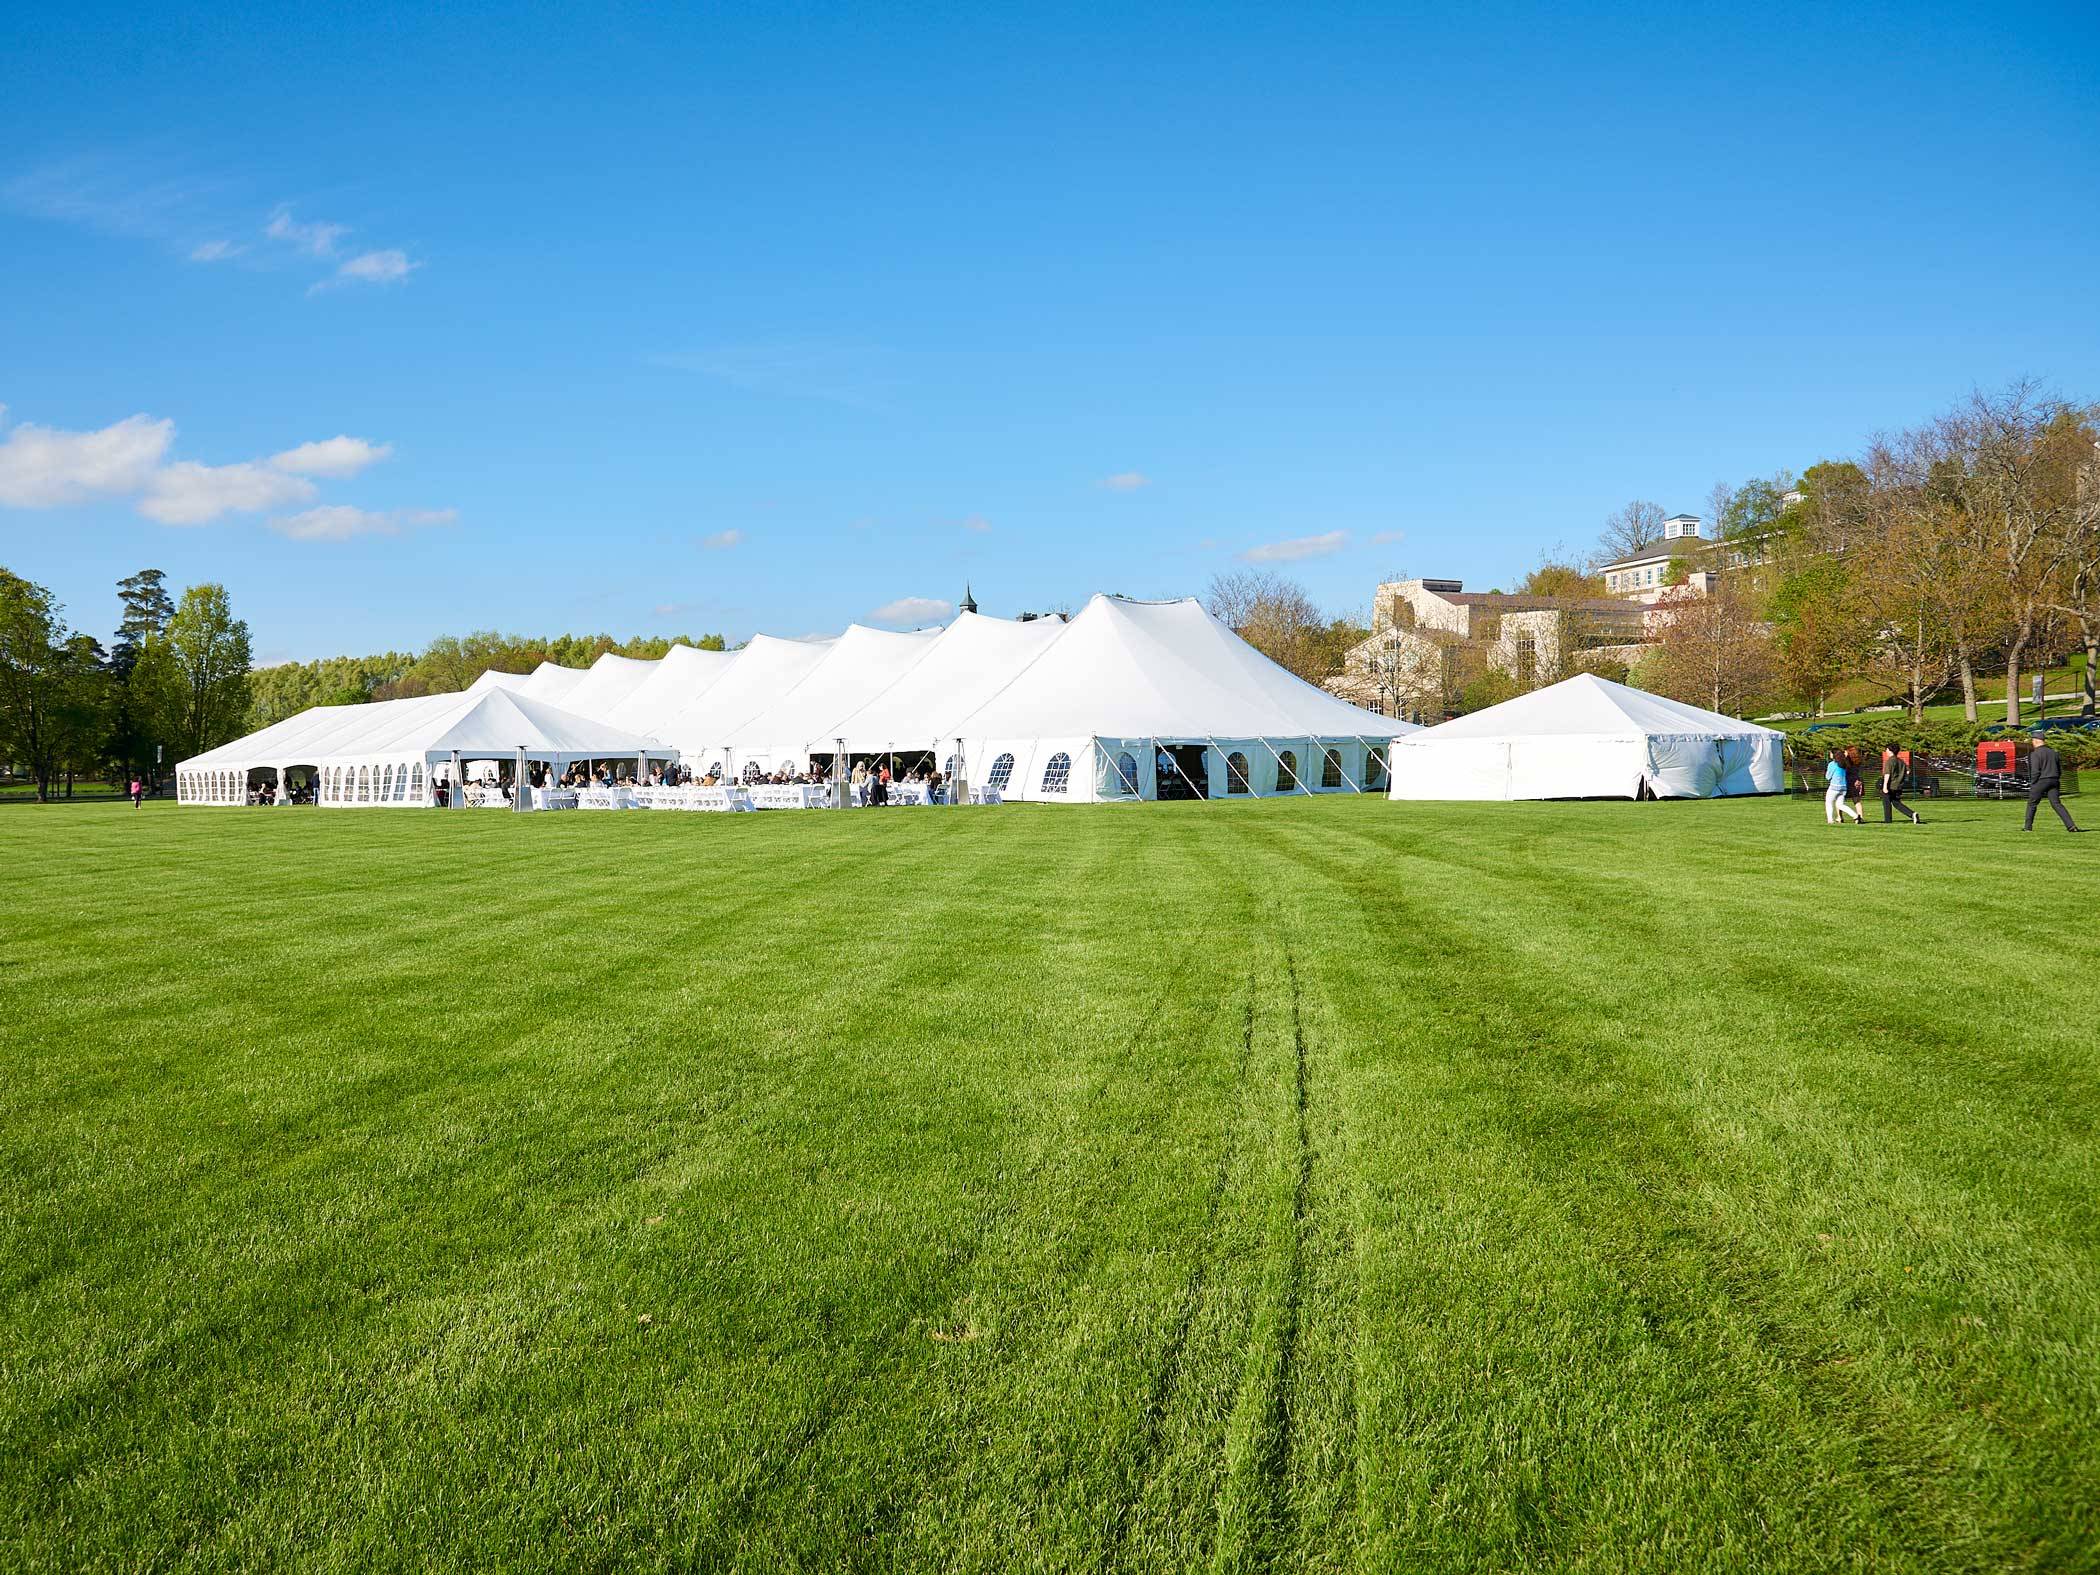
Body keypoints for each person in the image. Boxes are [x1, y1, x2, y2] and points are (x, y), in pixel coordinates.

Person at [2023, 732, 2082, 832]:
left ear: (2036, 741)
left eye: (2032, 740)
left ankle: (2028, 827)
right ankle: (2071, 826)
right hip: (2054, 780)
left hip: (2041, 781)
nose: (2032, 743)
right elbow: (2059, 769)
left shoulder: (2035, 754)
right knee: (2056, 804)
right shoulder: (2053, 752)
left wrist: (2033, 783)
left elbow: (2035, 771)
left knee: (2032, 803)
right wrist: (2056, 778)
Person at [1881, 747, 1921, 825]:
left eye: (1887, 749)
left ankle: (1887, 820)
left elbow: (1887, 774)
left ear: (1890, 750)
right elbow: (1908, 771)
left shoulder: (1890, 761)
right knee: (1896, 803)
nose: (1886, 751)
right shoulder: (1901, 761)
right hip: (1899, 785)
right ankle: (1912, 814)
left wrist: (1885, 786)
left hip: (1890, 785)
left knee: (1886, 802)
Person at [1824, 749, 1861, 825]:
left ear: (1834, 755)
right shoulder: (1844, 763)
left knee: (1829, 803)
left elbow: (1828, 777)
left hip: (1834, 787)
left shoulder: (1832, 764)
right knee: (1840, 805)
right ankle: (1855, 816)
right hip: (1843, 787)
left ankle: (1830, 820)